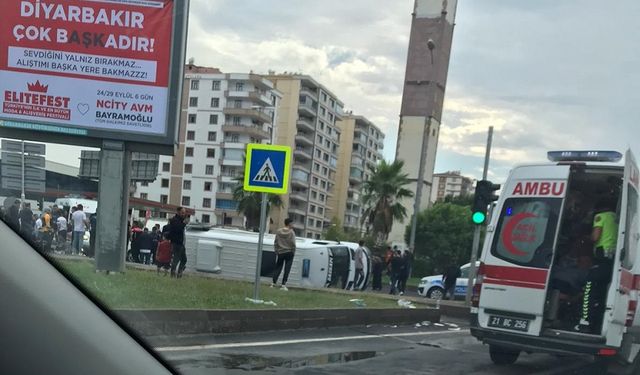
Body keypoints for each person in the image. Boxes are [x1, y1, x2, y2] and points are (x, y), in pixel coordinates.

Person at [576, 199, 618, 333]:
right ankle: (597, 321)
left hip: (600, 258)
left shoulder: (600, 217)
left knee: (589, 286)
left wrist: (585, 237)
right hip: (613, 261)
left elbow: (595, 237)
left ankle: (585, 320)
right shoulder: (617, 218)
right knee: (602, 292)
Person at [271, 218, 296, 291]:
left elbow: (276, 242)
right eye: (292, 223)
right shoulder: (291, 232)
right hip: (289, 252)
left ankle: (273, 283)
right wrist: (293, 251)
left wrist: (276, 250)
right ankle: (283, 284)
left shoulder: (278, 231)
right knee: (287, 269)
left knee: (278, 267)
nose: (293, 225)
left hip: (280, 252)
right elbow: (293, 243)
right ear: (289, 224)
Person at [168, 207, 189, 278]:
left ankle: (179, 273)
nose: (184, 214)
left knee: (184, 259)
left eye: (184, 213)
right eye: (182, 212)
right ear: (178, 212)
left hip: (181, 243)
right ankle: (173, 274)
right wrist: (184, 223)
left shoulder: (180, 220)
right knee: (176, 259)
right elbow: (178, 229)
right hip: (176, 243)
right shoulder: (175, 220)